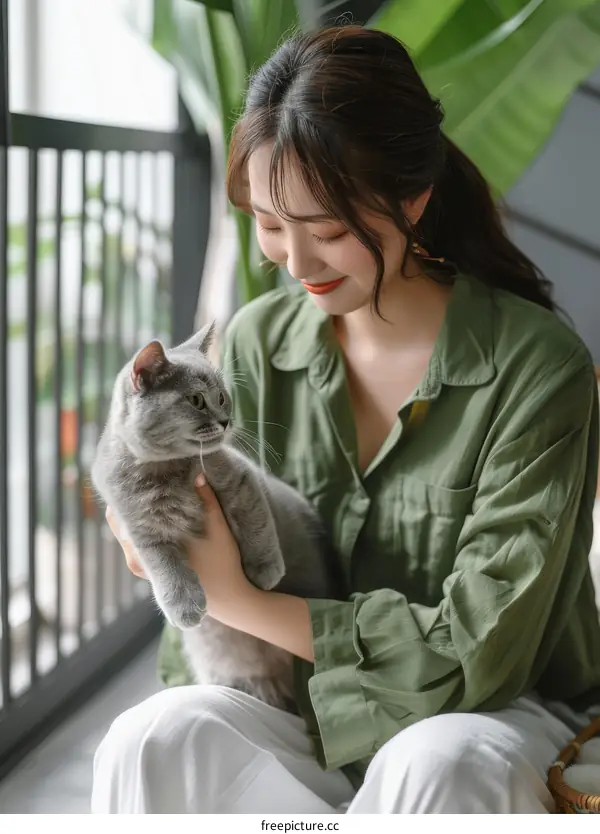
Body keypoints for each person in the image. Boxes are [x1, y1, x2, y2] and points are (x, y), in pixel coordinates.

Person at [91, 25, 600, 814]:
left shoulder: (539, 369)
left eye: (327, 231)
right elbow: (192, 583)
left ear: (413, 200)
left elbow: (483, 653)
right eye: (268, 224)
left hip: (494, 711)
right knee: (154, 738)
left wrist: (240, 596)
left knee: (436, 763)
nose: (295, 264)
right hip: (299, 703)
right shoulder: (256, 343)